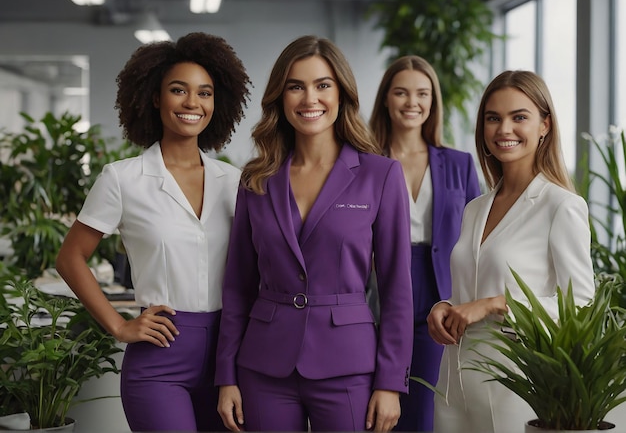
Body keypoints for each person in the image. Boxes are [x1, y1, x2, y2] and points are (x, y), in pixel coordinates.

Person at [215, 35, 413, 432]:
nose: (310, 99)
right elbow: (237, 284)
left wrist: (391, 382)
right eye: (296, 86)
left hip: (349, 366)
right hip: (264, 366)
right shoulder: (256, 179)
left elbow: (397, 290)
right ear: (280, 97)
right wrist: (226, 375)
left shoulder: (382, 175)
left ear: (341, 94)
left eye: (323, 85)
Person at [55, 32, 251, 432]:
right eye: (178, 90)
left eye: (205, 92)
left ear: (218, 102)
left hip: (231, 357)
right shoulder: (123, 179)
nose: (192, 103)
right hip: (161, 357)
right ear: (155, 97)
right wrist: (118, 324)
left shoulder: (235, 182)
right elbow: (69, 258)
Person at [427, 70, 596, 433]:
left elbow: (580, 308)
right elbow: (467, 291)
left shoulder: (561, 206)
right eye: (493, 118)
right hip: (454, 383)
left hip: (516, 387)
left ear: (544, 126)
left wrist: (495, 304)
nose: (504, 129)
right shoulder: (475, 208)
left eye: (519, 117)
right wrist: (444, 308)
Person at [369, 55, 481, 432]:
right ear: (386, 98)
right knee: (376, 409)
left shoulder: (459, 163)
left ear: (433, 101)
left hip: (440, 299)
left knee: (425, 413)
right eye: (400, 92)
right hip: (377, 295)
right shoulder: (362, 161)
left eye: (422, 93)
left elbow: (477, 238)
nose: (411, 102)